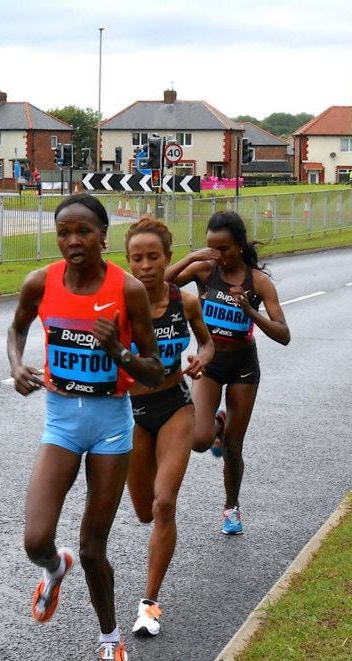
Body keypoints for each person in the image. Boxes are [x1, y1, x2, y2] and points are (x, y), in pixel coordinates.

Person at [8, 193, 164, 661]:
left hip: (110, 426)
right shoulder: (41, 282)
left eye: (83, 232)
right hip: (61, 421)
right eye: (64, 233)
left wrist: (119, 351)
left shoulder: (128, 290)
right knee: (36, 540)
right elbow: (16, 329)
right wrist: (17, 365)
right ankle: (55, 568)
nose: (73, 241)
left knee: (94, 547)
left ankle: (110, 642)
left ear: (103, 236)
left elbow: (156, 369)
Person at [164, 211, 290, 535]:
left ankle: (231, 508)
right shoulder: (205, 270)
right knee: (199, 440)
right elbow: (159, 284)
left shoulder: (258, 282)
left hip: (243, 368)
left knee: (233, 447)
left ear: (239, 246)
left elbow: (283, 334)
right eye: (212, 247)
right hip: (210, 364)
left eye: (224, 249)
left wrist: (250, 310)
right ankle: (217, 424)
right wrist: (192, 257)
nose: (218, 255)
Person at [123, 218, 214, 637]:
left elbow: (206, 342)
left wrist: (202, 359)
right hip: (131, 413)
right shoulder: (121, 305)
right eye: (137, 258)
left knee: (164, 504)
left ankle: (149, 605)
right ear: (127, 262)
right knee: (144, 512)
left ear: (167, 259)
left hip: (175, 405)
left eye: (153, 257)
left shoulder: (186, 303)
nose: (145, 266)